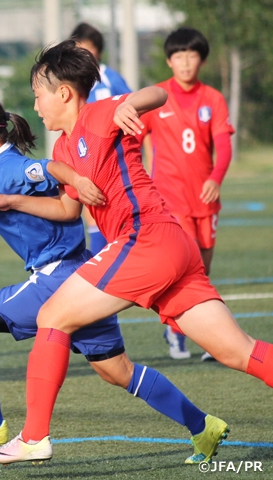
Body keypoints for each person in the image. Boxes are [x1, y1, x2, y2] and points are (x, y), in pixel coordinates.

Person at [0, 92, 226, 463]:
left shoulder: (8, 169)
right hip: (83, 275)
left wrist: (78, 182)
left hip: (57, 276)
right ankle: (203, 425)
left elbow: (49, 168)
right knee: (118, 372)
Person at [0, 40, 273, 465]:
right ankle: (200, 429)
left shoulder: (99, 114)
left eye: (37, 94)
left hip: (147, 238)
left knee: (51, 317)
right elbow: (67, 209)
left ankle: (33, 437)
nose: (35, 105)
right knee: (237, 351)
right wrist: (13, 201)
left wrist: (128, 105)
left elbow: (159, 94)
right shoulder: (64, 149)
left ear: (63, 92)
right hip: (169, 247)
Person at [137, 28, 234, 361]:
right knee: (187, 267)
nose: (185, 62)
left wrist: (216, 177)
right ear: (169, 60)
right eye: (178, 56)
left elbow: (222, 144)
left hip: (205, 200)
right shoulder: (157, 96)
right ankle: (178, 332)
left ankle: (206, 336)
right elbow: (133, 140)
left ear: (202, 60)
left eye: (192, 55)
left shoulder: (213, 99)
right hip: (170, 199)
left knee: (203, 272)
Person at [70, 22, 132, 255]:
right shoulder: (73, 80)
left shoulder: (111, 79)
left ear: (98, 50)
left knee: (113, 213)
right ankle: (100, 263)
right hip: (84, 153)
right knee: (91, 212)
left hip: (111, 156)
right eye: (78, 49)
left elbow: (132, 105)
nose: (83, 54)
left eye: (87, 48)